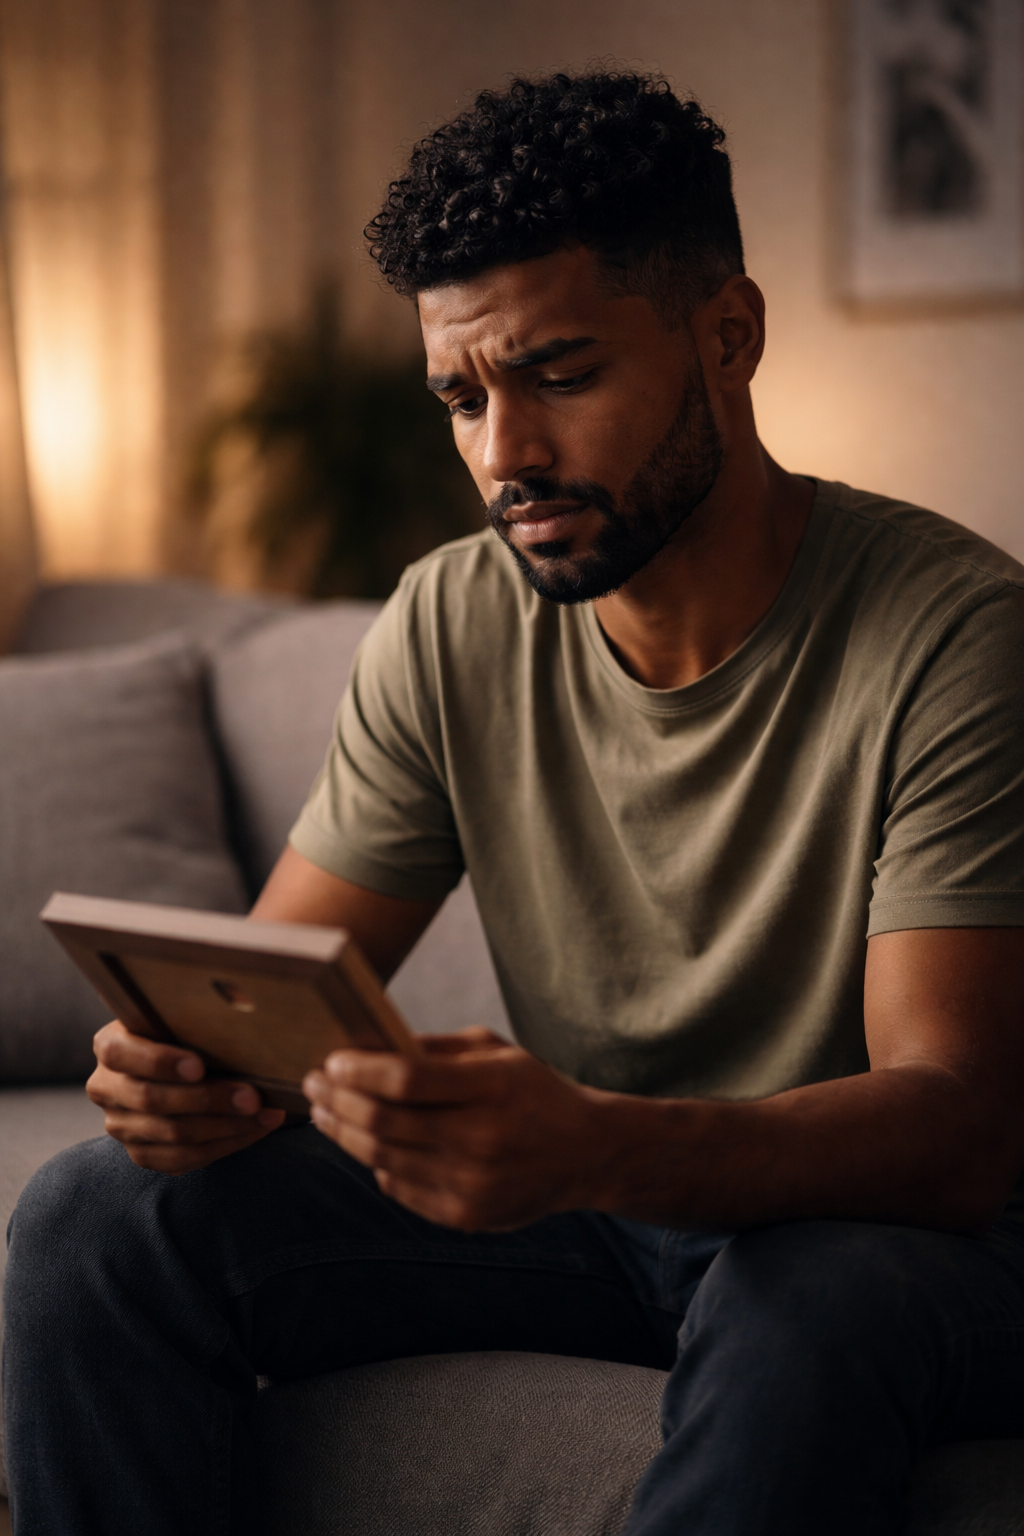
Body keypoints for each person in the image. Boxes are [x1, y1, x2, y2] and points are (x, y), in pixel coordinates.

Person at [5, 69, 1024, 1536]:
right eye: (463, 398)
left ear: (729, 336)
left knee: (810, 1292)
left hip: (887, 1236)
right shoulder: (450, 620)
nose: (504, 455)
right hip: (605, 1213)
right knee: (93, 1216)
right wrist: (185, 1071)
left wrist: (593, 1143)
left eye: (559, 375)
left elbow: (958, 1126)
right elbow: (276, 989)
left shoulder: (957, 634)